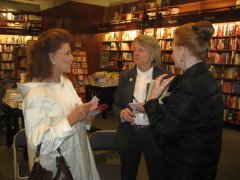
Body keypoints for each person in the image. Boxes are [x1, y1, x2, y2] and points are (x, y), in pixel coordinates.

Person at [144, 21, 224, 179]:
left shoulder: (190, 88)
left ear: (181, 50)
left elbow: (162, 134)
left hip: (185, 167)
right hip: (203, 162)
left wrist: (152, 100)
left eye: (172, 49)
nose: (171, 54)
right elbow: (184, 118)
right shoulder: (204, 77)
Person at [18, 28, 100, 179]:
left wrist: (85, 119)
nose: (72, 58)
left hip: (80, 157)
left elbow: (75, 115)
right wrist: (71, 120)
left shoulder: (66, 82)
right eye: (67, 53)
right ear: (51, 57)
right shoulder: (35, 95)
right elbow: (39, 144)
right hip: (57, 168)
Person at [112, 35, 166, 180]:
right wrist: (122, 113)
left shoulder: (164, 78)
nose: (135, 53)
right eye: (135, 50)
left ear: (152, 55)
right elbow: (116, 105)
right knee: (127, 174)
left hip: (154, 134)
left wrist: (150, 109)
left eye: (141, 50)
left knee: (157, 174)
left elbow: (170, 110)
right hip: (130, 132)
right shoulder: (125, 76)